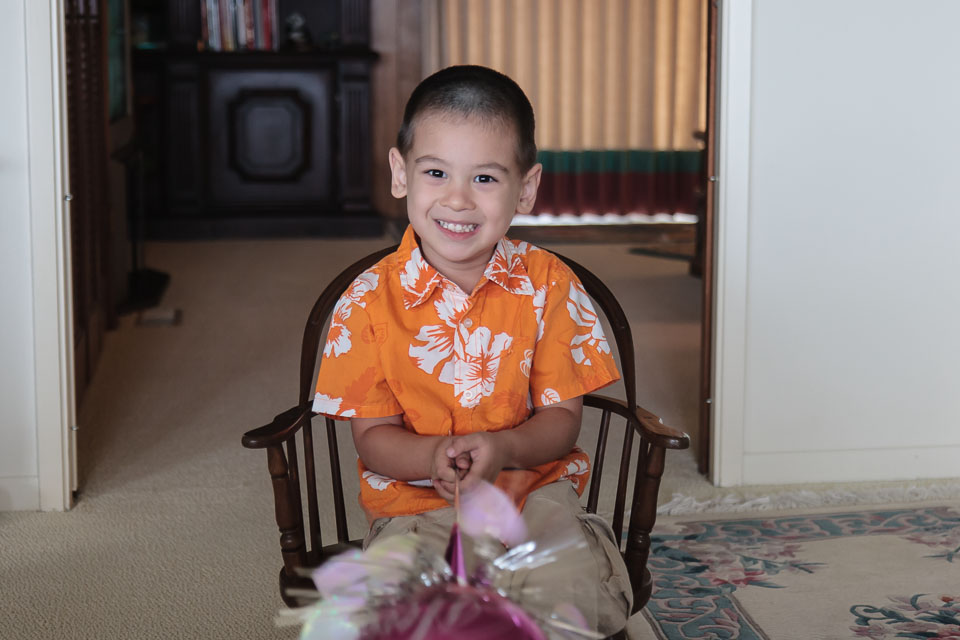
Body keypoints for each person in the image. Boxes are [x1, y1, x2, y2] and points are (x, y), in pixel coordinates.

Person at [312, 65, 632, 634]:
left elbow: (562, 420)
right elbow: (374, 437)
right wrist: (432, 457)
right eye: (436, 172)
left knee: (572, 600)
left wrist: (505, 447)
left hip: (533, 493)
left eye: (484, 178)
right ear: (401, 174)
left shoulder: (550, 285)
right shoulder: (365, 302)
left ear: (525, 188)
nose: (457, 200)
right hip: (415, 506)